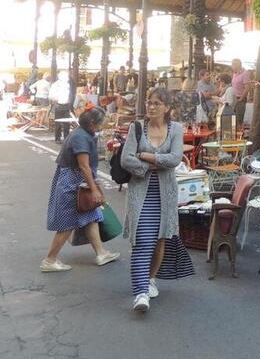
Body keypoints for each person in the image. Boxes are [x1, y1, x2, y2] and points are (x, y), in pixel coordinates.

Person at [121, 88, 194, 313]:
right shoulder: (137, 128)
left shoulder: (176, 129)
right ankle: (141, 293)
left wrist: (145, 156)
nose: (151, 107)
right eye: (149, 102)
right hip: (140, 192)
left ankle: (150, 279)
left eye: (157, 103)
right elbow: (125, 159)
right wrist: (149, 166)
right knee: (142, 240)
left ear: (167, 107)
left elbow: (174, 159)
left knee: (161, 237)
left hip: (165, 193)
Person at [41, 107, 120, 272]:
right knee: (68, 222)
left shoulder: (83, 133)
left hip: (77, 181)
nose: (102, 126)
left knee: (91, 215)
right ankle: (50, 260)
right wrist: (95, 189)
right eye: (101, 123)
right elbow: (84, 166)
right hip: (72, 183)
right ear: (92, 123)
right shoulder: (81, 137)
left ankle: (101, 253)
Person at [49, 71, 73, 143]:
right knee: (58, 123)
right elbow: (51, 95)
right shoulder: (55, 85)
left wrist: (70, 102)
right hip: (58, 105)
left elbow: (70, 94)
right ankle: (57, 138)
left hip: (66, 105)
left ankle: (66, 138)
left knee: (67, 123)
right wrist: (55, 99)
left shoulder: (68, 85)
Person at [230, 59, 250, 127]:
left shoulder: (245, 73)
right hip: (233, 98)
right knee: (233, 118)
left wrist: (241, 99)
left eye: (232, 64)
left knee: (239, 119)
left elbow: (247, 88)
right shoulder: (234, 74)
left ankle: (239, 134)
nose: (231, 66)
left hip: (240, 98)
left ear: (237, 65)